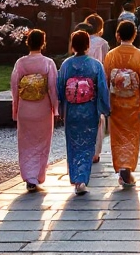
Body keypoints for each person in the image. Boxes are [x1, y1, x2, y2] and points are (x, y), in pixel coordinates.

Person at [103, 20, 140, 188]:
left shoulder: (111, 55)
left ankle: (121, 167)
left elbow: (105, 80)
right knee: (132, 136)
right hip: (133, 104)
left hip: (116, 103)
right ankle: (127, 168)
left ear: (118, 35)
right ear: (134, 35)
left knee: (118, 137)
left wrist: (105, 104)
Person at [57, 30, 110, 195]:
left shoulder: (66, 65)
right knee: (87, 145)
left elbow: (60, 87)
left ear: (72, 45)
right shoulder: (95, 65)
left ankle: (75, 178)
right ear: (88, 45)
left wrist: (60, 108)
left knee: (73, 145)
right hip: (89, 110)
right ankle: (82, 179)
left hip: (71, 111)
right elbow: (102, 88)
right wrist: (105, 108)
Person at [11, 29, 57, 192]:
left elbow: (15, 87)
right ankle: (37, 176)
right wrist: (55, 108)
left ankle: (28, 177)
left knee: (25, 143)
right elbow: (52, 87)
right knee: (41, 142)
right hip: (43, 108)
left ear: (28, 42)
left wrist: (15, 108)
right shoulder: (48, 63)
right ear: (43, 43)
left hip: (25, 108)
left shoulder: (21, 63)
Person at [84, 14, 110, 164]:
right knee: (98, 118)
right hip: (96, 81)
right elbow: (106, 63)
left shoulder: (81, 39)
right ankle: (95, 152)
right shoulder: (102, 43)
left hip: (79, 83)